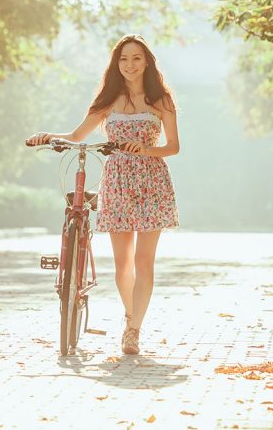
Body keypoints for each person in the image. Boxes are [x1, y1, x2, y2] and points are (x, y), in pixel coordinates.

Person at [26, 34, 179, 356]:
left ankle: (134, 330)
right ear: (116, 63)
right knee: (123, 262)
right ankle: (128, 317)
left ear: (147, 62)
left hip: (152, 181)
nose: (130, 65)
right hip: (118, 180)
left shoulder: (161, 100)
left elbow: (174, 147)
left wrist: (147, 149)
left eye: (136, 58)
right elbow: (77, 135)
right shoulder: (109, 99)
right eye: (124, 59)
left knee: (144, 261)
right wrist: (46, 135)